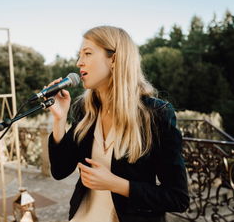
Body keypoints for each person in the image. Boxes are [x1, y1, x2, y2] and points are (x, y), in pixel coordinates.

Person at [45, 26, 189, 222]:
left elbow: (177, 198)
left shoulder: (156, 114)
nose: (79, 62)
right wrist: (59, 120)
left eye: (87, 53)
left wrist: (116, 184)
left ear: (114, 59)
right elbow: (60, 171)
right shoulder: (86, 110)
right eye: (80, 55)